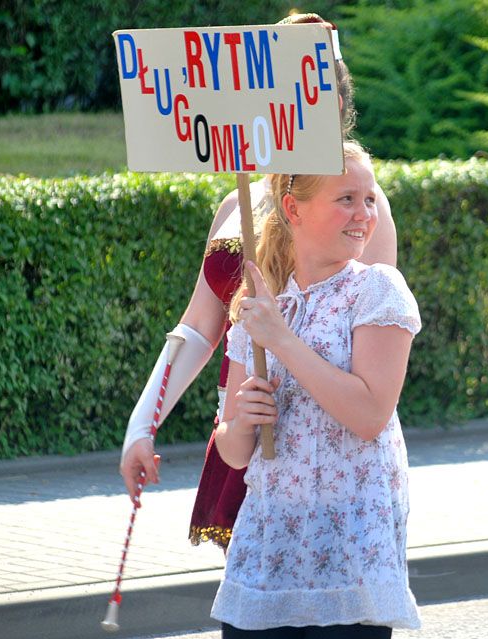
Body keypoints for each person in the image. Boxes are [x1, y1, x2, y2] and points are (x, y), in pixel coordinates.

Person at [118, 12, 397, 540]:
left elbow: (374, 347)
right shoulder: (235, 204)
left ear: (335, 106)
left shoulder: (361, 209)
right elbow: (199, 327)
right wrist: (142, 424)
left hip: (318, 451)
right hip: (243, 426)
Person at [208, 139, 420, 639]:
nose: (364, 213)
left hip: (351, 542)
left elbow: (370, 415)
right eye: (346, 199)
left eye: (369, 199)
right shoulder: (261, 307)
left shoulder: (378, 290)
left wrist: (282, 342)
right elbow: (233, 451)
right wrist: (243, 420)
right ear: (293, 208)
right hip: (270, 540)